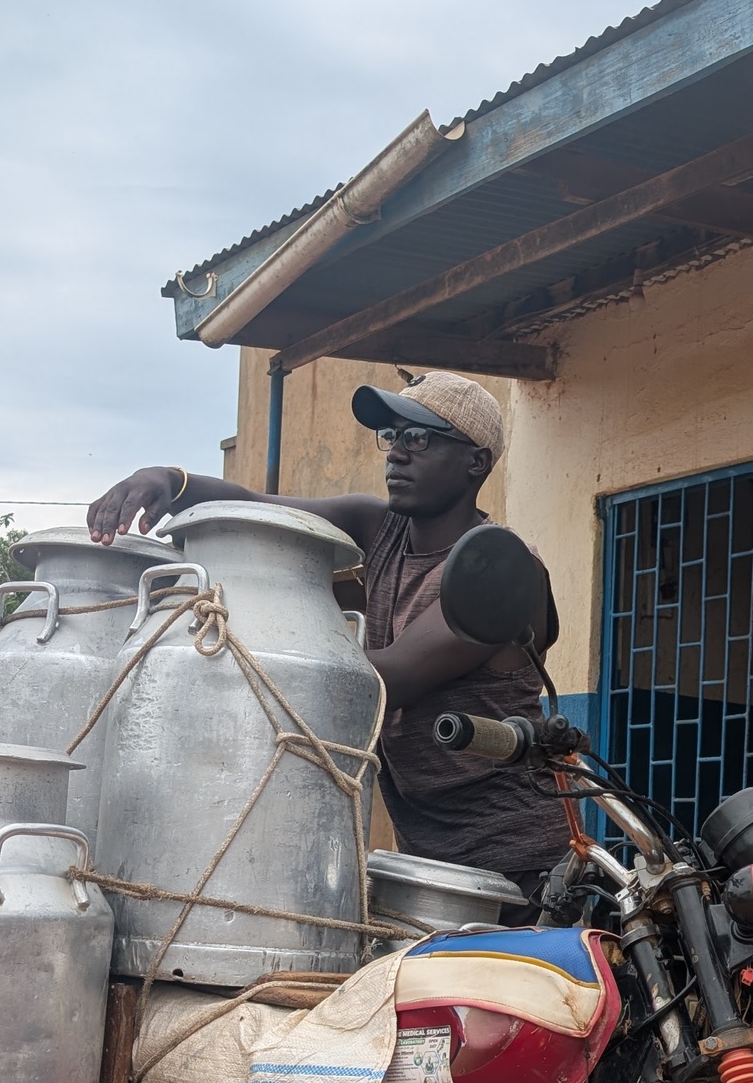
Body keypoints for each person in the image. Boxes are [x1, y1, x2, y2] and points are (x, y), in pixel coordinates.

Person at [86, 372, 567, 907]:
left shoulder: (500, 571)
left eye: (420, 438)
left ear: (475, 461)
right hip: (426, 851)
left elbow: (383, 681)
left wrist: (255, 646)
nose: (397, 455)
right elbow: (257, 506)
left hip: (513, 860)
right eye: (392, 436)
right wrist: (170, 481)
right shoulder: (381, 529)